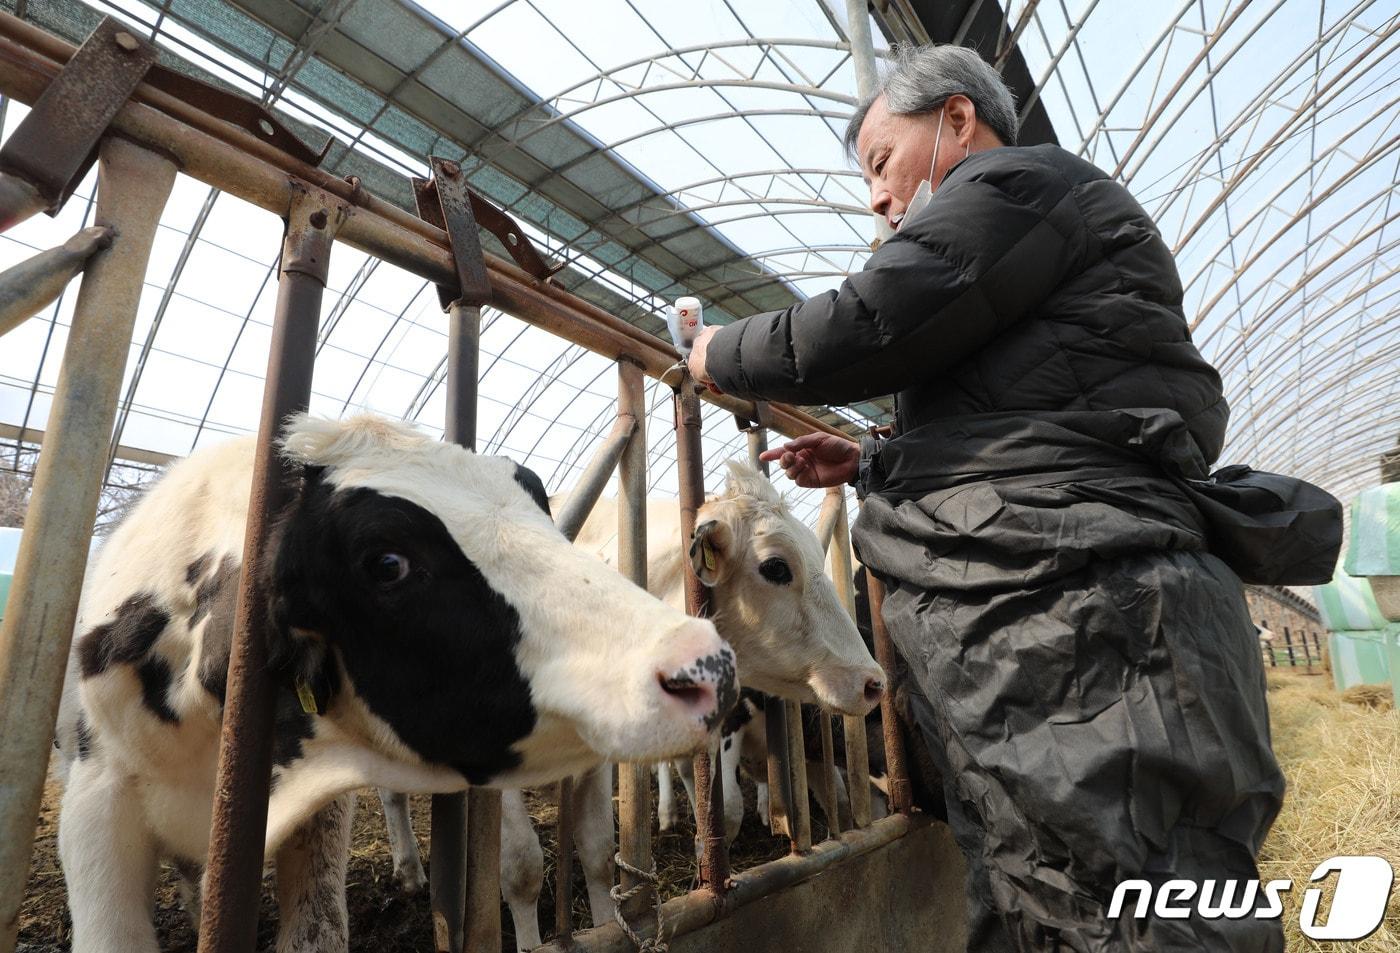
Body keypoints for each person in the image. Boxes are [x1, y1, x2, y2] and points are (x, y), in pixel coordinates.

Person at [686, 44, 1288, 953]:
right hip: (1046, 630)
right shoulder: (1021, 251)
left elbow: (872, 320)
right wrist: (872, 464)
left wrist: (714, 356)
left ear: (958, 121)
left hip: (1085, 626)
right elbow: (1025, 426)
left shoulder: (1021, 187)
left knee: (1142, 913)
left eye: (883, 165)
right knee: (1041, 901)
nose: (878, 201)